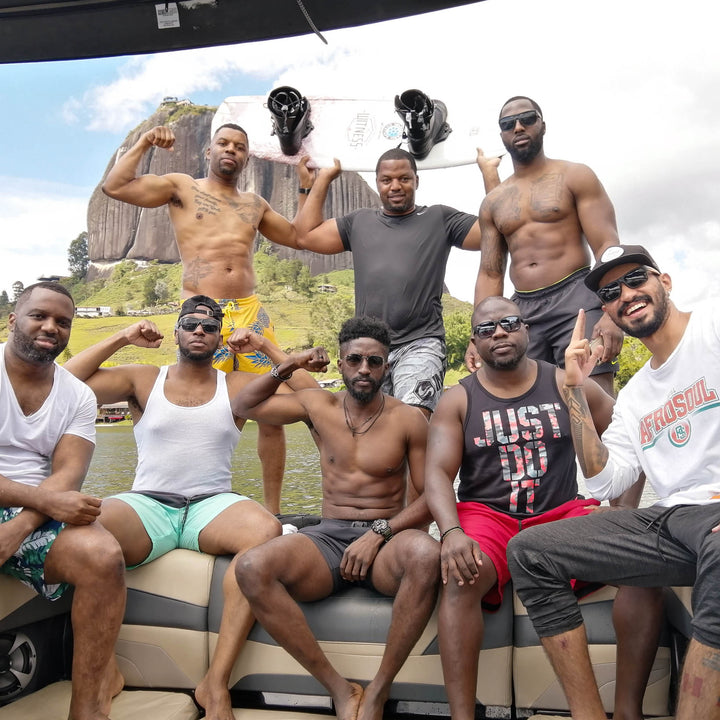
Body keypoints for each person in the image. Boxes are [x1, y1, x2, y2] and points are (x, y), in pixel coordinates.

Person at [63, 295, 326, 720]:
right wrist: (125, 335)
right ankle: (104, 670)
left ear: (221, 336)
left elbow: (319, 404)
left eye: (209, 326)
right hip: (148, 502)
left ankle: (215, 682)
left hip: (211, 504)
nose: (200, 330)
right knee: (82, 533)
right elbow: (64, 381)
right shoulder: (143, 378)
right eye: (191, 324)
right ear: (177, 332)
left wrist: (265, 347)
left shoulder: (237, 387)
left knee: (264, 532)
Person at [507, 244, 720, 720]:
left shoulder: (713, 326)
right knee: (529, 550)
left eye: (636, 279)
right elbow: (604, 481)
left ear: (664, 281)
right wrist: (575, 391)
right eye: (610, 291)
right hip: (671, 522)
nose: (626, 294)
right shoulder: (638, 392)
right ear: (607, 310)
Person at [426, 296, 661, 720]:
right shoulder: (457, 400)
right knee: (459, 576)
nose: (499, 332)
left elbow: (633, 435)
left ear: (527, 331)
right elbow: (437, 476)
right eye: (486, 329)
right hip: (489, 516)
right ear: (474, 345)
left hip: (560, 513)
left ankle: (628, 710)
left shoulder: (562, 382)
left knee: (642, 563)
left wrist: (623, 511)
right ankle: (462, 715)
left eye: (509, 323)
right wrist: (451, 532)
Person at [232, 316, 438, 720]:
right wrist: (290, 363)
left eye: (374, 361)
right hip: (328, 538)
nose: (365, 368)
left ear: (387, 368)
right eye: (355, 359)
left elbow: (434, 495)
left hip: (385, 541)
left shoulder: (409, 419)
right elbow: (244, 406)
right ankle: (339, 689)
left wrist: (380, 532)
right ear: (341, 364)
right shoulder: (317, 407)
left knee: (426, 554)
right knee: (253, 566)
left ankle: (378, 690)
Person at [102, 123, 309, 514]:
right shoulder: (182, 187)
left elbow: (298, 236)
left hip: (250, 312)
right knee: (198, 406)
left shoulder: (255, 204)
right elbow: (116, 185)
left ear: (247, 157)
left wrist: (304, 186)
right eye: (224, 143)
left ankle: (274, 510)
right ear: (208, 152)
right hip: (202, 314)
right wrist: (145, 141)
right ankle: (185, 498)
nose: (232, 150)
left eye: (240, 146)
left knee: (272, 409)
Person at [294, 149, 501, 417]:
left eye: (404, 178)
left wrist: (489, 173)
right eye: (386, 180)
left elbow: (496, 228)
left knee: (413, 420)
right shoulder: (359, 222)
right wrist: (322, 180)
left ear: (416, 180)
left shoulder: (439, 219)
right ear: (378, 182)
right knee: (373, 432)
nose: (395, 186)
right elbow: (306, 235)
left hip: (421, 342)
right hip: (369, 350)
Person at [0, 282, 125, 720]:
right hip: (40, 503)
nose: (51, 327)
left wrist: (19, 526)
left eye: (63, 322)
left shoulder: (77, 394)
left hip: (35, 510)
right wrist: (46, 505)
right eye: (40, 316)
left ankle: (88, 710)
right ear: (14, 319)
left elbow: (68, 475)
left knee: (102, 553)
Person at [468, 96, 624, 395]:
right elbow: (490, 273)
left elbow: (606, 243)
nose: (518, 127)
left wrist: (611, 310)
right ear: (501, 134)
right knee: (534, 404)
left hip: (577, 297)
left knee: (592, 397)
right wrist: (479, 335)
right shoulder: (493, 202)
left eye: (527, 118)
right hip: (524, 311)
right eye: (507, 124)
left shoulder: (575, 175)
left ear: (542, 125)